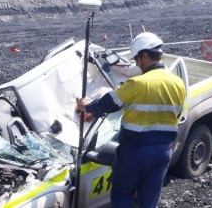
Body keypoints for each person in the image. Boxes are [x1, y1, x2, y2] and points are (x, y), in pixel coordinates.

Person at [76, 32, 186, 208]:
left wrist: (86, 106)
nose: (136, 64)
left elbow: (108, 104)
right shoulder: (178, 83)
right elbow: (178, 114)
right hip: (163, 152)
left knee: (122, 197)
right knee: (149, 200)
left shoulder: (137, 83)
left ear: (144, 55)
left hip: (135, 153)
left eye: (137, 59)